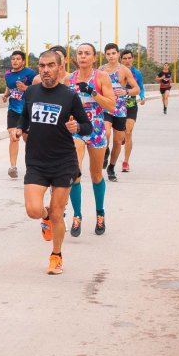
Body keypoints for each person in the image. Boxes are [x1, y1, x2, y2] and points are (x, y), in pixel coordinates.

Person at [17, 50, 92, 274]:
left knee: (59, 213)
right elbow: (24, 116)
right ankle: (45, 216)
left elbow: (87, 126)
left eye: (51, 65)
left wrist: (76, 127)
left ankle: (56, 255)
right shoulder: (31, 92)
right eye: (42, 66)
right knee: (33, 209)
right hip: (37, 161)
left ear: (60, 68)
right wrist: (19, 128)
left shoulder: (69, 96)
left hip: (63, 161)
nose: (46, 70)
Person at [67, 43, 116, 236]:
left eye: (87, 53)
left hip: (96, 129)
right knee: (75, 173)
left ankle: (100, 213)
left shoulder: (102, 77)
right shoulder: (68, 79)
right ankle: (77, 215)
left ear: (94, 58)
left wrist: (92, 92)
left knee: (96, 175)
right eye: (80, 53)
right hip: (76, 130)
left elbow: (111, 106)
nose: (83, 56)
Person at [100, 43, 140, 182]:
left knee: (117, 141)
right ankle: (105, 151)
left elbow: (137, 89)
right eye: (108, 54)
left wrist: (126, 91)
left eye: (113, 53)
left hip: (120, 109)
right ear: (105, 55)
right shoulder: (101, 70)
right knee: (106, 132)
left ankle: (111, 167)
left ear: (118, 54)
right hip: (105, 107)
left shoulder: (124, 70)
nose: (111, 56)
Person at [1, 50, 37, 179]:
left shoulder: (30, 73)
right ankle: (13, 167)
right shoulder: (8, 74)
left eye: (18, 59)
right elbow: (9, 87)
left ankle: (31, 166)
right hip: (13, 110)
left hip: (27, 111)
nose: (15, 61)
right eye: (13, 59)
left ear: (23, 61)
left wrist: (26, 88)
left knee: (27, 140)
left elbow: (38, 88)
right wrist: (6, 95)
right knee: (13, 136)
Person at [120, 50, 145, 172]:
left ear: (133, 59)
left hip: (131, 106)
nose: (127, 60)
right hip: (118, 107)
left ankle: (125, 162)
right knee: (119, 136)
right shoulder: (116, 72)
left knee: (129, 132)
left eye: (129, 58)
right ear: (121, 60)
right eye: (124, 58)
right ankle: (122, 136)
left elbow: (141, 87)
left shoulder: (137, 73)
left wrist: (143, 96)